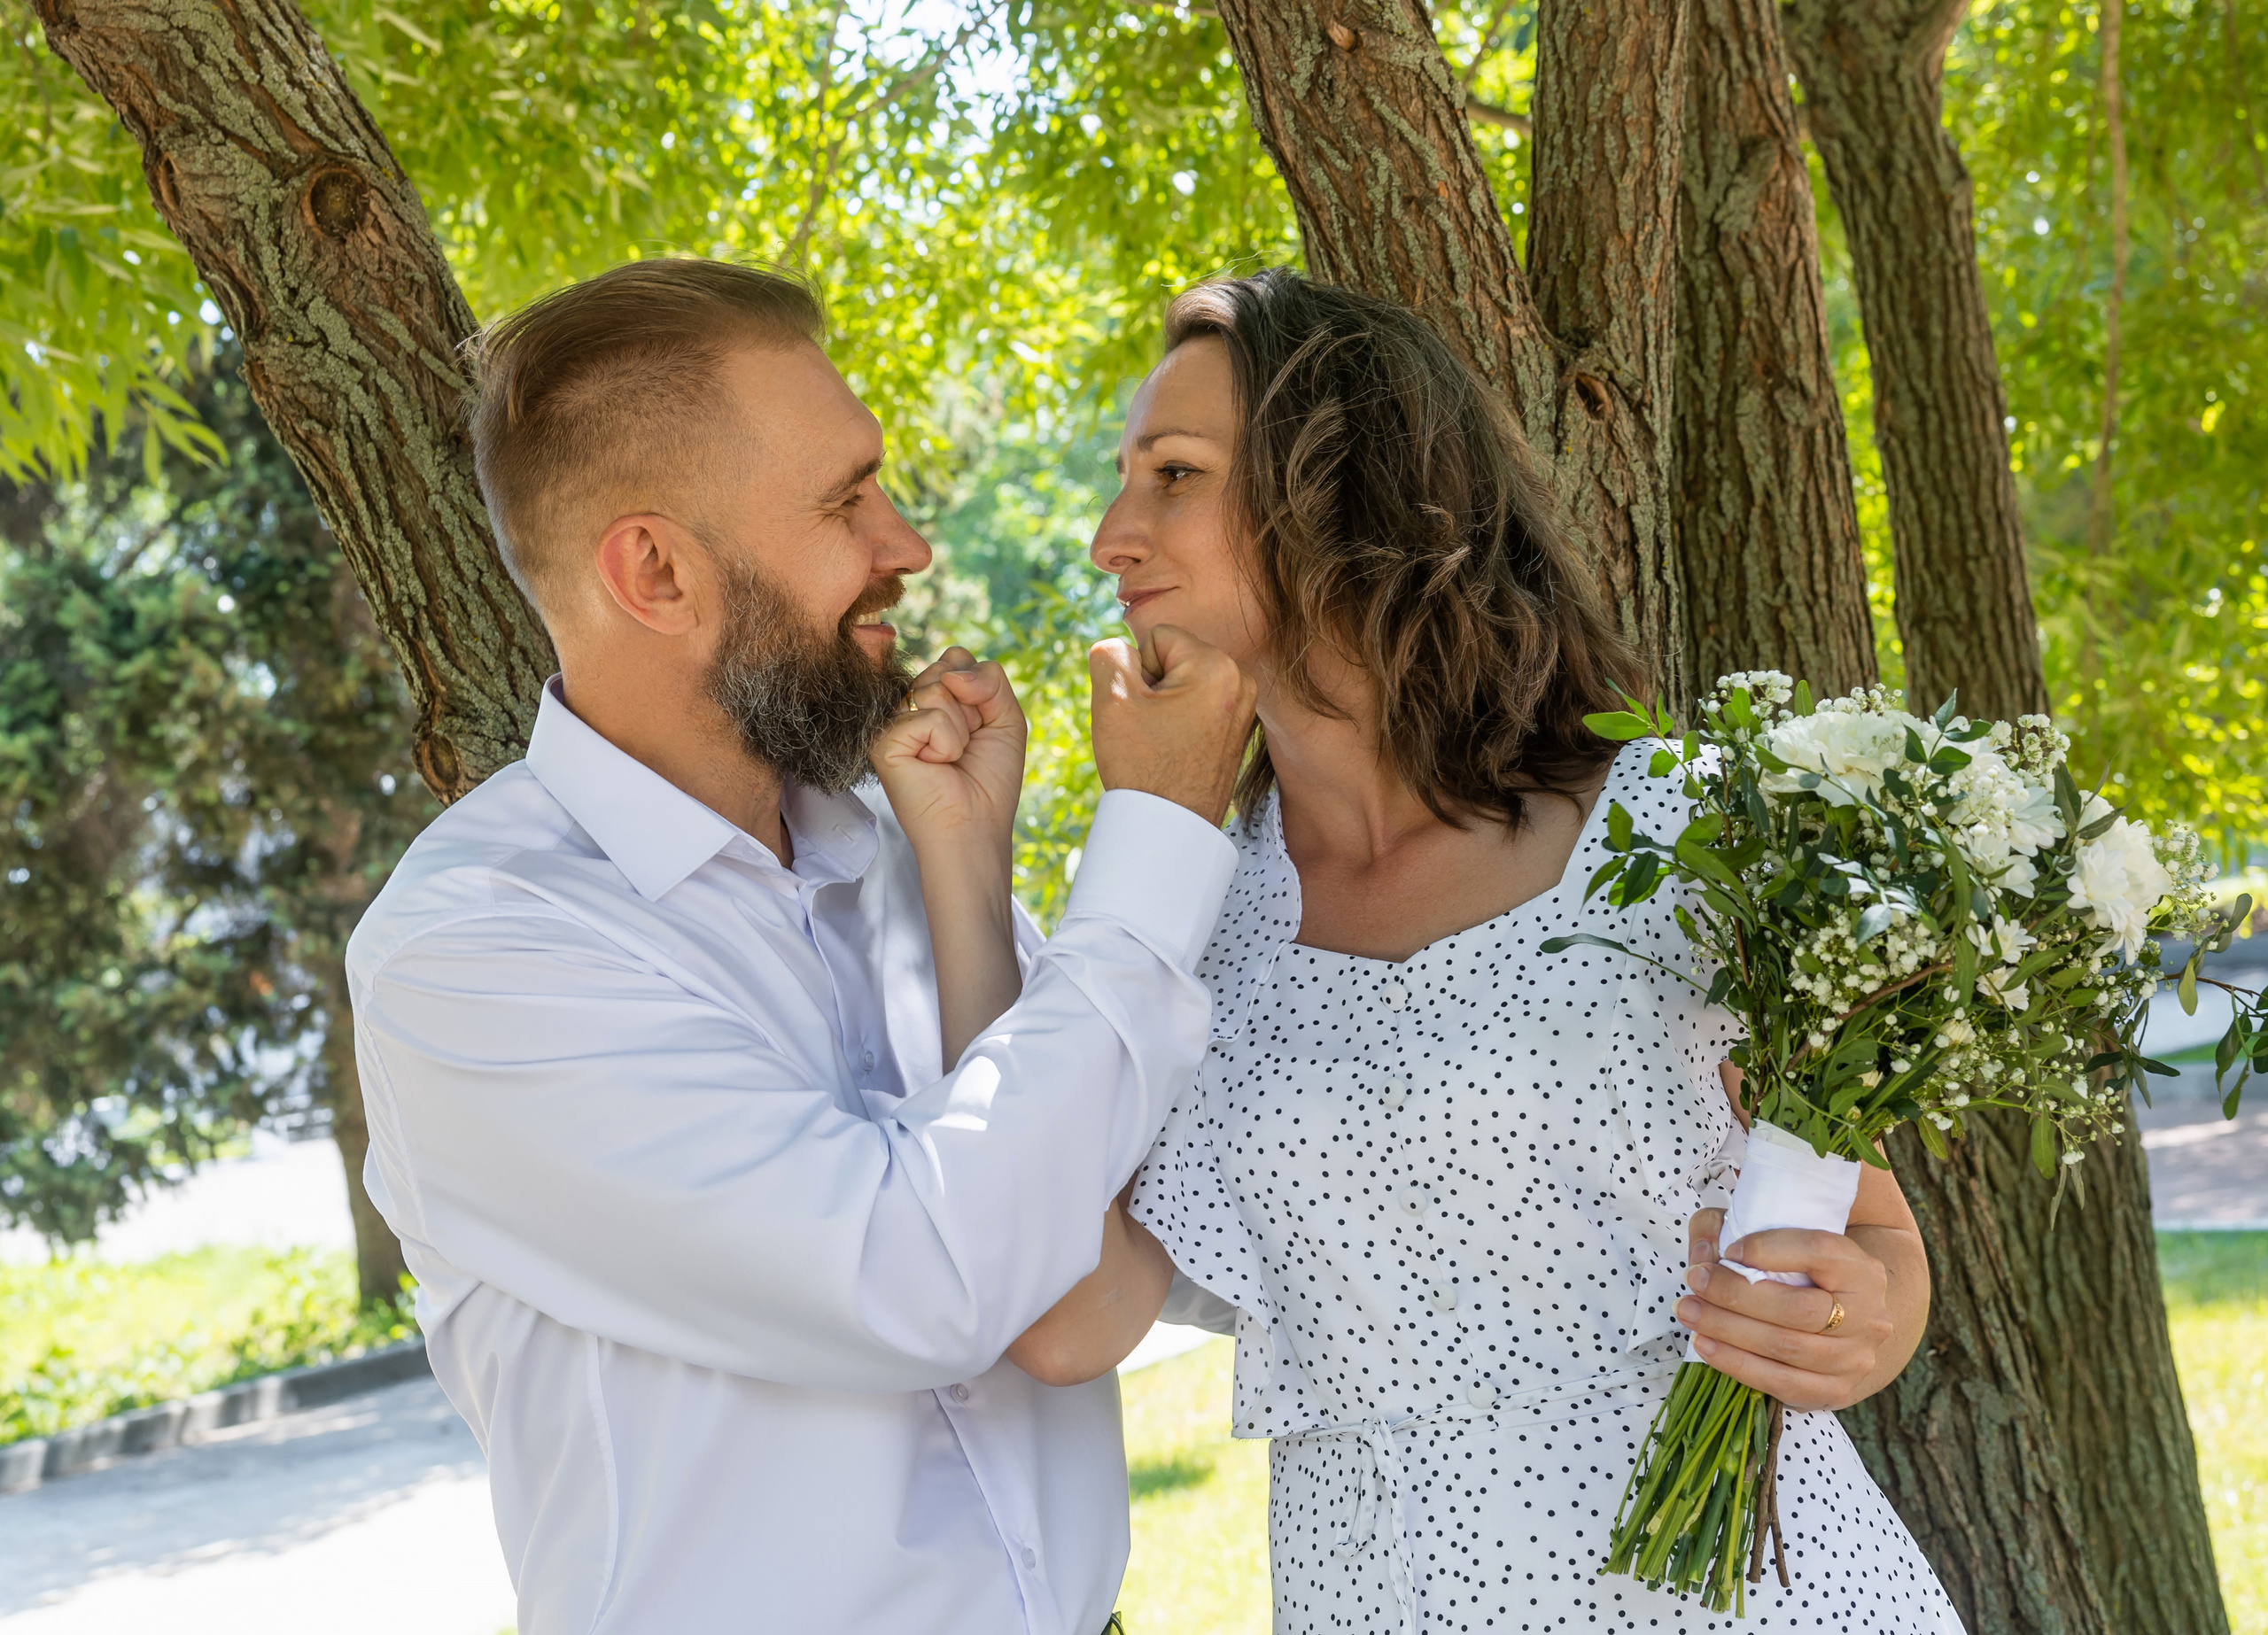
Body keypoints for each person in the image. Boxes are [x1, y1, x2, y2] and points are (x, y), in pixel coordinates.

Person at [1015, 269, 1964, 1632]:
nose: (1115, 534)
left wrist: (1864, 1318)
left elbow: (1878, 1241)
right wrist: (1015, 844)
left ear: (1351, 490)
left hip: (1760, 1596)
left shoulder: (1676, 829)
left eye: (1174, 474)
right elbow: (1068, 1316)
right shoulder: (1184, 915)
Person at [344, 257, 1256, 1635]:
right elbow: (926, 1276)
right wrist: (1159, 830)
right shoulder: (478, 952)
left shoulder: (893, 848)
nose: (907, 545)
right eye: (845, 501)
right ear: (654, 570)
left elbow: (1108, 1237)